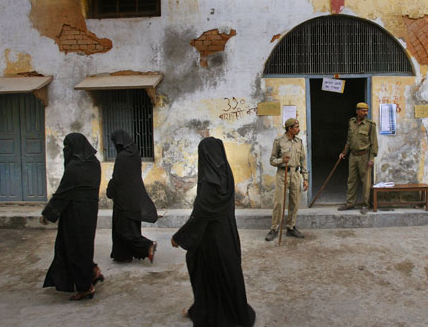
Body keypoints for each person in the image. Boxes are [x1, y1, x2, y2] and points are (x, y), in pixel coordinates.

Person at [171, 137, 256, 326]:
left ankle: (211, 312)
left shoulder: (210, 182)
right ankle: (233, 312)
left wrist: (180, 237)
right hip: (227, 235)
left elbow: (201, 214)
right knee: (228, 274)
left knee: (206, 272)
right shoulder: (226, 173)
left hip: (212, 239)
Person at [40, 133, 103, 301]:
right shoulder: (94, 163)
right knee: (83, 246)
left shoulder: (74, 167)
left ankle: (85, 288)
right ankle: (92, 271)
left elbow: (63, 193)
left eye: (67, 147)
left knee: (74, 248)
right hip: (90, 212)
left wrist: (48, 213)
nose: (65, 151)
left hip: (74, 215)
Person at [107, 129, 158, 263]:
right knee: (131, 226)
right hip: (134, 197)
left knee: (123, 229)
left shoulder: (122, 157)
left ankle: (148, 246)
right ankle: (123, 255)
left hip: (123, 200)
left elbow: (117, 179)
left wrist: (110, 191)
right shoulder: (134, 155)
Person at [265, 118, 309, 241]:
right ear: (289, 128)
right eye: (296, 127)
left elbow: (303, 162)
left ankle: (291, 227)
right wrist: (282, 160)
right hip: (282, 174)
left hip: (295, 174)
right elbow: (272, 160)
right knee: (279, 202)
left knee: (294, 202)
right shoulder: (279, 141)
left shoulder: (299, 142)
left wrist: (305, 178)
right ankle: (274, 228)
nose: (298, 129)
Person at [337, 102, 378, 214]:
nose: (366, 113)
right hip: (353, 156)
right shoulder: (352, 123)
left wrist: (372, 158)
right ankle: (350, 203)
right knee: (351, 180)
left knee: (366, 182)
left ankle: (365, 205)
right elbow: (349, 140)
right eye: (363, 111)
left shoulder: (370, 125)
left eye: (367, 111)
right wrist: (344, 152)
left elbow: (374, 143)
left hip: (365, 156)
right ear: (357, 111)